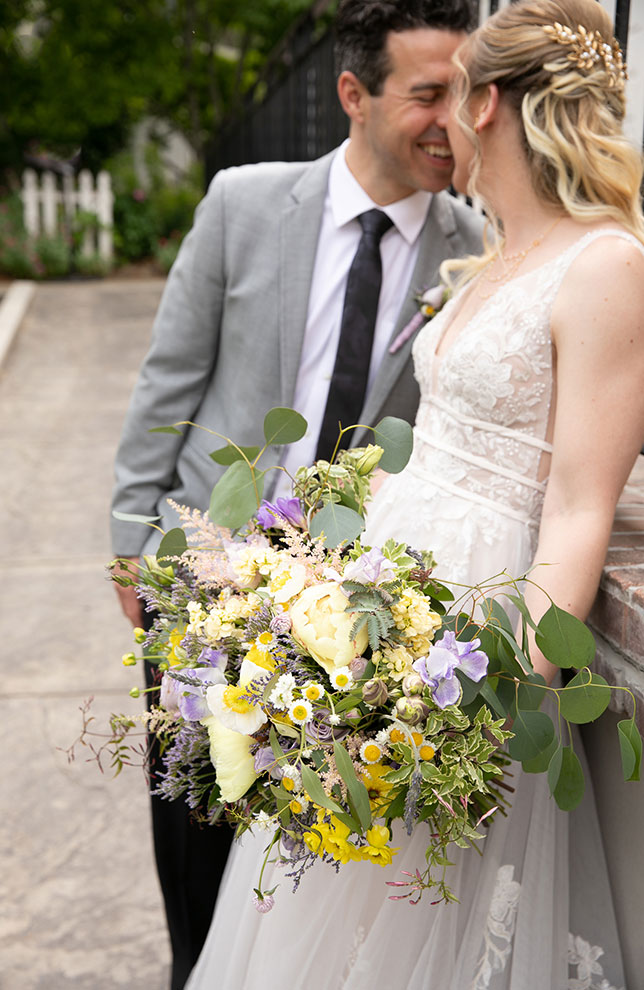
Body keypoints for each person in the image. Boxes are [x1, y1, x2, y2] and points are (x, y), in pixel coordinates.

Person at [184, 1, 644, 987]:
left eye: (455, 91)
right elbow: (421, 448)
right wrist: (302, 582)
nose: (440, 118)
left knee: (420, 915)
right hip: (379, 608)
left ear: (488, 107)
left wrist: (486, 706)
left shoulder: (606, 265)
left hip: (472, 632)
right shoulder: (487, 255)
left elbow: (575, 509)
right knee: (328, 890)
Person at [111, 2, 483, 986]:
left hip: (355, 603)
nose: (456, 120)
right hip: (208, 568)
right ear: (353, 94)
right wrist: (135, 544)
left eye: (468, 92)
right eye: (428, 94)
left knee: (314, 839)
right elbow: (168, 380)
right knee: (196, 821)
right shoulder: (244, 201)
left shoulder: (475, 247)